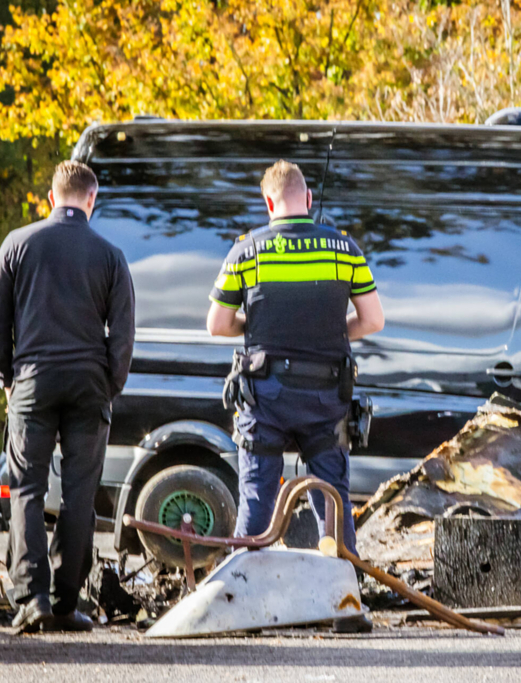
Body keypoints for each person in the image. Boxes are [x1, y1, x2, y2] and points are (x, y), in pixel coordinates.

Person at [207, 160, 384, 632]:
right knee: (333, 498)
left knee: (257, 498)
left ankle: (243, 610)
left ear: (269, 204)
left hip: (265, 396)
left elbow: (218, 325)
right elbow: (372, 321)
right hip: (326, 395)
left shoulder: (247, 251)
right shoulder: (344, 249)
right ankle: (345, 608)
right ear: (307, 200)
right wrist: (329, 332)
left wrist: (260, 328)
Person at [0, 160, 136, 634]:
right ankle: (67, 603)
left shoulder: (17, 244)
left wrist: (6, 376)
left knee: (27, 489)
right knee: (79, 494)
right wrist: (110, 383)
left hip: (32, 379)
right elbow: (123, 333)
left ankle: (32, 598)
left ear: (51, 197)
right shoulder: (111, 256)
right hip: (89, 384)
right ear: (91, 200)